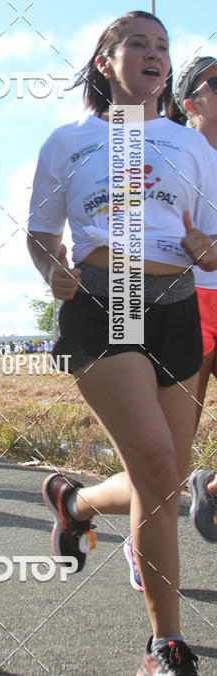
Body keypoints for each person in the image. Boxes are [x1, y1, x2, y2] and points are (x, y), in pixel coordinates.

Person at [27, 12, 217, 676]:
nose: (154, 53)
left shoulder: (192, 146)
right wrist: (50, 268)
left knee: (159, 485)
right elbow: (40, 232)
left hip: (175, 305)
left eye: (163, 45)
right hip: (108, 297)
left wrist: (207, 249)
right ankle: (164, 644)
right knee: (161, 470)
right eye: (138, 42)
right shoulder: (67, 141)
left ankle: (73, 502)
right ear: (105, 60)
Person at [169, 56, 217, 543]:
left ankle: (212, 487)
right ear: (190, 104)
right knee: (170, 455)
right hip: (186, 303)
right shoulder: (172, 157)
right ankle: (78, 502)